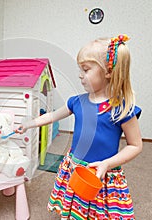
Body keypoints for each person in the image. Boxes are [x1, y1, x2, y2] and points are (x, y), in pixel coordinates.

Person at [15, 34, 143, 219]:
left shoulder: (122, 109)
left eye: (86, 69)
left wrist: (108, 164)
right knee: (75, 206)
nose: (80, 75)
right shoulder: (76, 102)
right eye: (80, 69)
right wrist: (29, 124)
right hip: (75, 167)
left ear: (108, 71)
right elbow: (52, 116)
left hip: (102, 173)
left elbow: (136, 145)